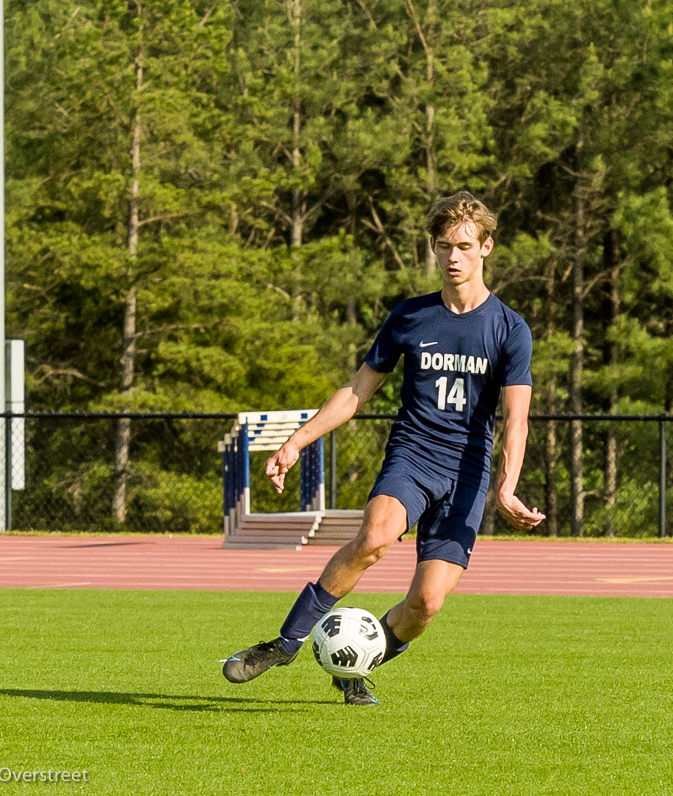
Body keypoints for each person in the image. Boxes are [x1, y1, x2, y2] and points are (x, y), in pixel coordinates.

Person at [222, 191, 544, 705]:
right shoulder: (411, 317)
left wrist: (506, 487)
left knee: (426, 604)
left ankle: (353, 665)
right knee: (373, 538)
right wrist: (297, 441)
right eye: (443, 246)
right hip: (413, 456)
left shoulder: (510, 329)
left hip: (467, 476)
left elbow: (517, 419)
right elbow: (355, 392)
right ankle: (284, 644)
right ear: (434, 249)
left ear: (487, 246)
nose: (453, 257)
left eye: (463, 245)